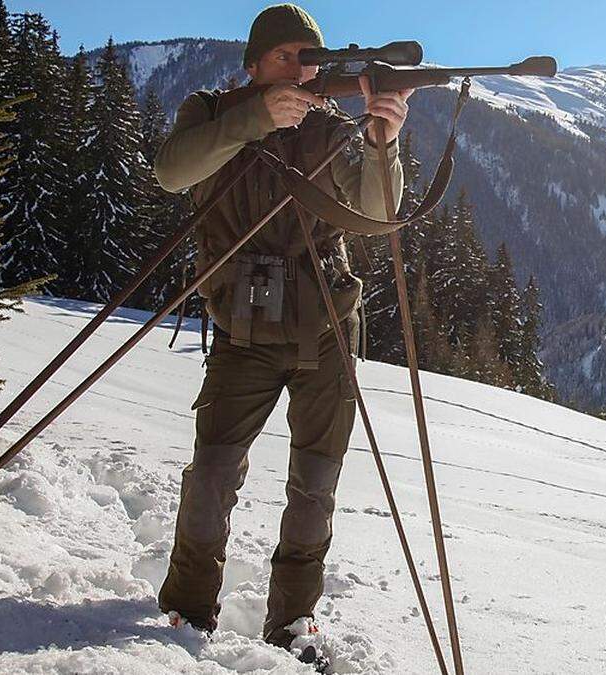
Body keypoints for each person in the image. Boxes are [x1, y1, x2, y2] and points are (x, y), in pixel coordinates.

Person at [152, 3, 413, 649]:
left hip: (327, 326)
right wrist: (254, 120)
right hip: (240, 329)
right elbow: (171, 172)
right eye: (284, 56)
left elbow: (378, 211)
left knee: (315, 486)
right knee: (212, 474)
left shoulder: (328, 127)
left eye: (310, 57)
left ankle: (292, 621)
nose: (300, 69)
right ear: (252, 64)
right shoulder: (211, 112)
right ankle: (188, 607)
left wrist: (384, 140)